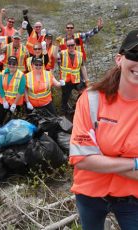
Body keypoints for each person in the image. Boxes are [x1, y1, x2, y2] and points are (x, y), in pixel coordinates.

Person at [69, 29, 138, 230]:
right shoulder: (92, 99)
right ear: (119, 59)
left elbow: (90, 160)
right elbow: (81, 159)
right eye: (134, 54)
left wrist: (100, 159)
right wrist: (134, 162)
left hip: (132, 198)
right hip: (90, 194)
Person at [59, 38, 88, 114]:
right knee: (65, 99)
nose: (70, 47)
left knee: (84, 92)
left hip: (76, 80)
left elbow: (82, 67)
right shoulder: (62, 53)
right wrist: (56, 45)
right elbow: (54, 56)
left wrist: (87, 80)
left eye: (72, 45)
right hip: (66, 81)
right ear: (66, 46)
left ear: (75, 45)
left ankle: (76, 107)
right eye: (68, 46)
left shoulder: (79, 54)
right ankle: (64, 113)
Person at [0, 56, 26, 124]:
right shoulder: (3, 73)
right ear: (7, 64)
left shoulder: (21, 75)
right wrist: (4, 101)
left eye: (14, 64)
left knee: (12, 123)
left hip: (15, 103)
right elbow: (0, 87)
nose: (11, 65)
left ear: (17, 65)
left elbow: (21, 90)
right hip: (3, 102)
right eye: (10, 63)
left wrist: (14, 104)